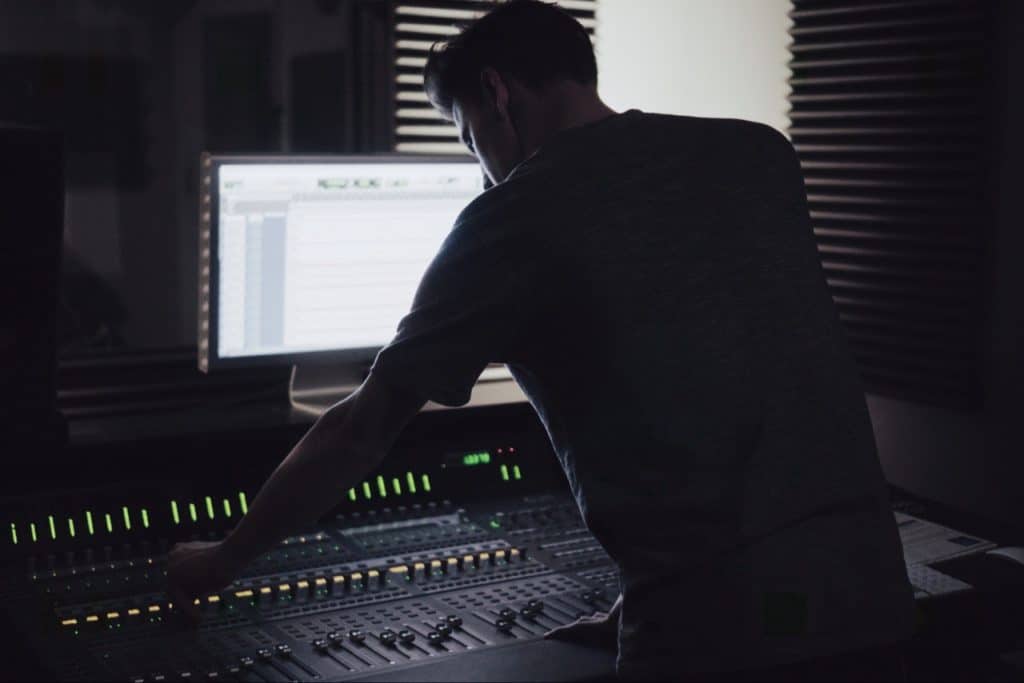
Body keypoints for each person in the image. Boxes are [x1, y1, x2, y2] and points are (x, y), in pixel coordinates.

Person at [168, 1, 915, 680]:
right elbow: (734, 370)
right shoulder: (757, 154)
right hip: (869, 593)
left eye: (468, 138)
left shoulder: (516, 213)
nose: (482, 169)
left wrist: (221, 559)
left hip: (722, 630)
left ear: (496, 92)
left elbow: (362, 430)